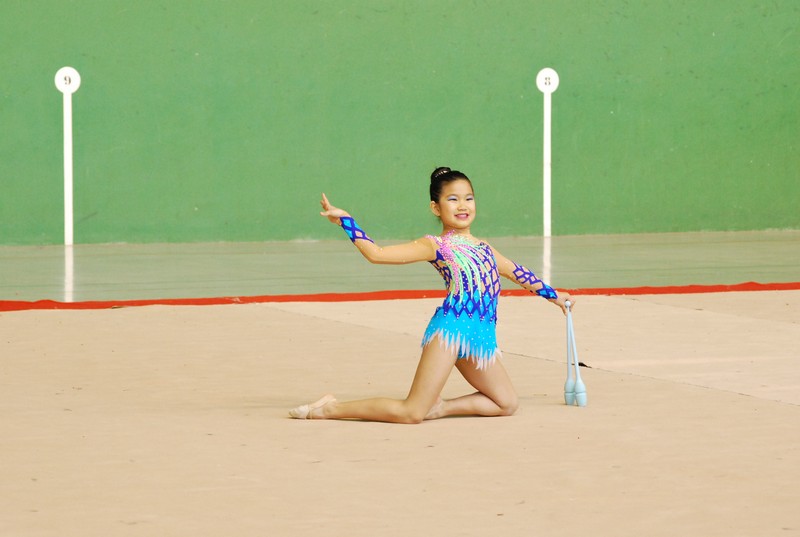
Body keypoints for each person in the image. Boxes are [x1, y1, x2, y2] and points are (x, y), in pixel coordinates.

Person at [288, 167, 574, 423]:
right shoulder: (435, 245)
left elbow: (517, 273)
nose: (462, 205)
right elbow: (377, 255)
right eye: (452, 199)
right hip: (450, 332)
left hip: (481, 339)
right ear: (436, 208)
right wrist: (347, 222)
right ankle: (329, 408)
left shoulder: (485, 248)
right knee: (411, 412)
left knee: (506, 403)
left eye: (468, 198)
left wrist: (555, 296)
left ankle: (438, 408)